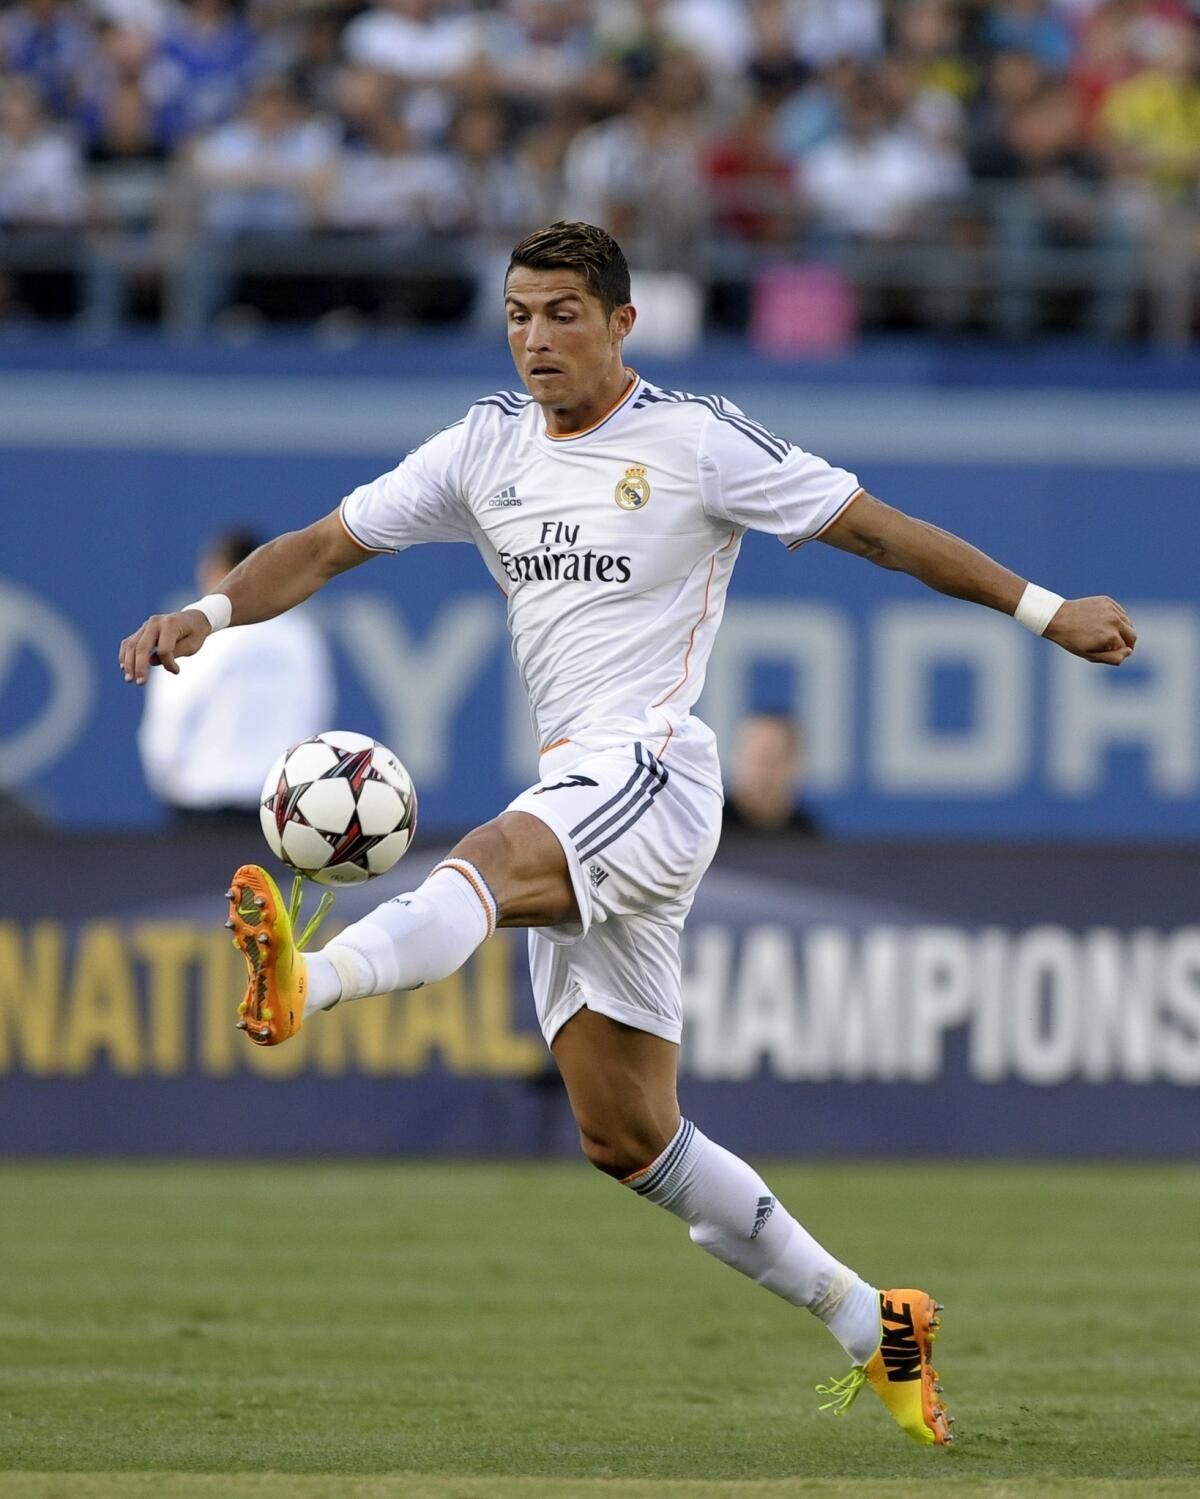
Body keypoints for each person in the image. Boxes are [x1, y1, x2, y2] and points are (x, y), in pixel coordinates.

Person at [119, 220, 1136, 1449]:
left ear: (620, 323)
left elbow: (871, 524)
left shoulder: (697, 441)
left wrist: (1043, 609)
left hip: (654, 764)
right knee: (625, 1133)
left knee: (485, 859)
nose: (536, 337)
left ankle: (312, 977)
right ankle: (877, 1321)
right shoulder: (485, 444)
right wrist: (209, 609)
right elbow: (326, 546)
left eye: (559, 313)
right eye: (517, 315)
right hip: (580, 781)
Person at [136, 527, 335, 829]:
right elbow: (316, 714)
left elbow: (172, 718)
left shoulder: (193, 636)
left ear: (222, 571)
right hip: (278, 810)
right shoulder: (300, 636)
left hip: (202, 809)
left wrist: (169, 784)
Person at [722, 712, 821, 837]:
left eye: (774, 759)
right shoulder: (711, 828)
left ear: (796, 763)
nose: (764, 770)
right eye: (757, 758)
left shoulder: (807, 835)